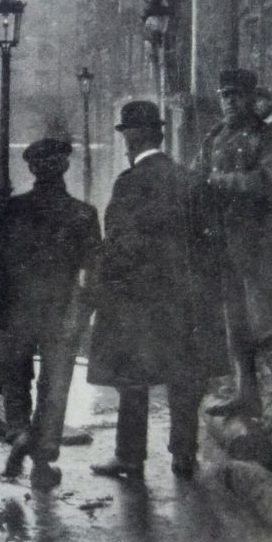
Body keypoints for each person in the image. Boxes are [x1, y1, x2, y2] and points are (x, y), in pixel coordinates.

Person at [88, 102, 227, 481]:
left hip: (139, 302)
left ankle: (130, 457)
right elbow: (212, 246)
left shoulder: (129, 183)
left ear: (130, 140)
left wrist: (104, 293)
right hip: (185, 300)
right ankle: (184, 456)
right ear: (160, 136)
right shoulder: (192, 180)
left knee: (134, 381)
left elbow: (117, 245)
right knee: (184, 376)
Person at [0, 137, 101, 491]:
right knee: (55, 386)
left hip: (15, 311)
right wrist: (82, 311)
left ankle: (18, 432)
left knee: (14, 380)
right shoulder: (84, 214)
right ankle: (43, 460)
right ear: (66, 167)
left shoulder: (9, 209)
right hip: (61, 313)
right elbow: (95, 276)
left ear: (31, 168)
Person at [198, 69, 272, 430]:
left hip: (264, 244)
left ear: (250, 97)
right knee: (236, 323)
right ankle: (246, 393)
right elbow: (198, 177)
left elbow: (270, 183)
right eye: (224, 95)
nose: (229, 101)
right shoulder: (214, 137)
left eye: (236, 95)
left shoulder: (271, 136)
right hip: (225, 243)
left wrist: (219, 182)